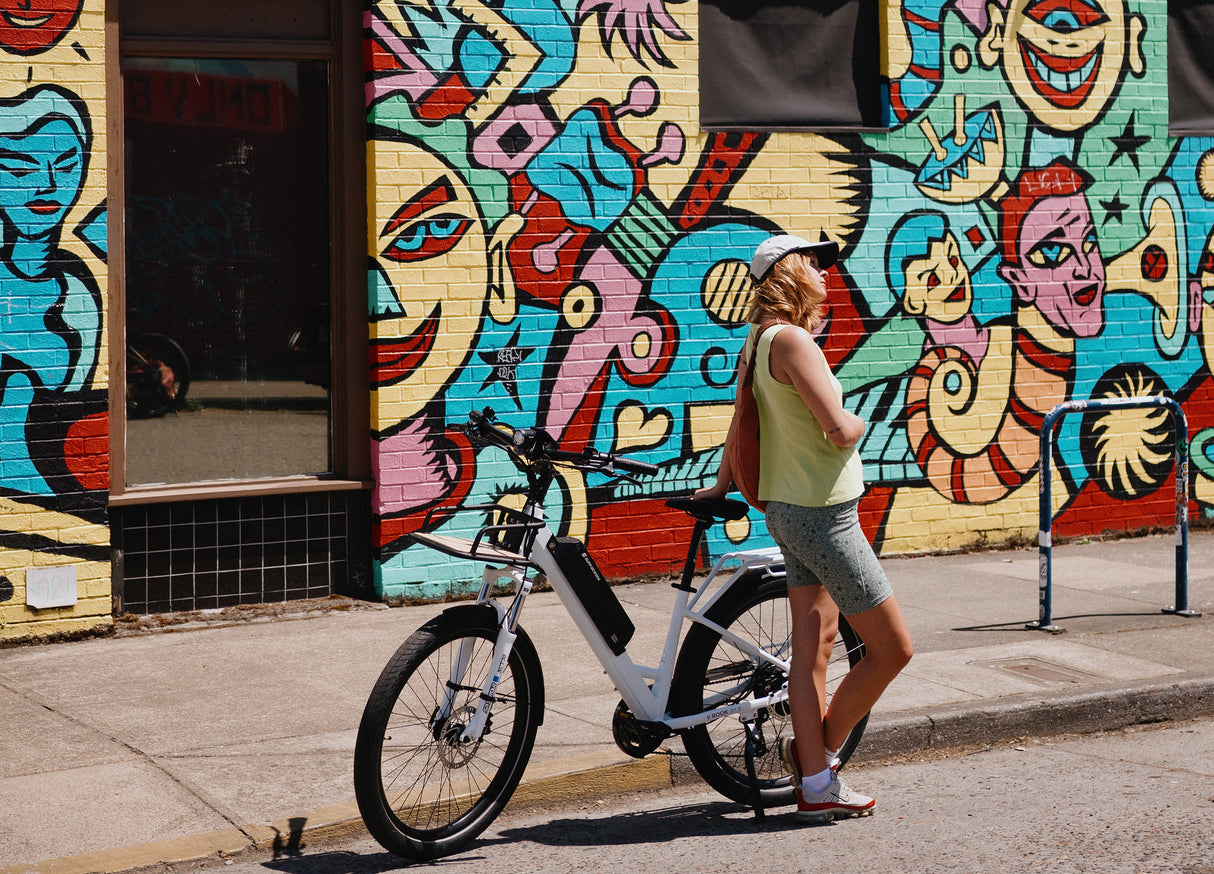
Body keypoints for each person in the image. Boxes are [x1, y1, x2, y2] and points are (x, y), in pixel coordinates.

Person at [696, 234, 914, 823]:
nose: (823, 272)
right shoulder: (792, 339)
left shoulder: (762, 338)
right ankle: (816, 758)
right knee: (893, 649)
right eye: (813, 262)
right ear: (789, 272)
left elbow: (744, 418)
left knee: (813, 649)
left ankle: (816, 774)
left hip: (791, 512)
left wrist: (721, 485)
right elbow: (838, 430)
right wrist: (862, 419)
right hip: (824, 515)